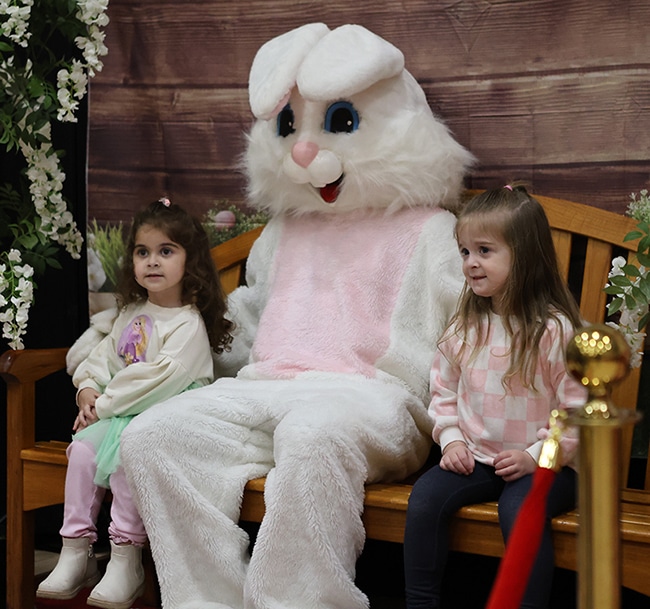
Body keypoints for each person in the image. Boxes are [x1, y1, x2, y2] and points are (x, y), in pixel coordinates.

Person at [36, 198, 233, 609]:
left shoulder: (187, 323)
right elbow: (103, 358)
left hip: (165, 420)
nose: (153, 261)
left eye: (166, 251)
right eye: (143, 252)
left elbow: (155, 380)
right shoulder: (132, 313)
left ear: (190, 262)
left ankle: (127, 557)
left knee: (131, 453)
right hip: (120, 412)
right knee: (84, 449)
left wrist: (103, 404)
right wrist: (87, 390)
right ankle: (76, 551)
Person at [403, 185, 587, 609]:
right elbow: (443, 390)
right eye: (465, 251)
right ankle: (420, 603)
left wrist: (536, 455)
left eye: (484, 250)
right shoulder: (465, 324)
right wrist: (450, 441)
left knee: (519, 511)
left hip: (549, 465)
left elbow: (576, 410)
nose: (470, 263)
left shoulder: (554, 330)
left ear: (523, 255)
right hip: (480, 456)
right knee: (426, 498)